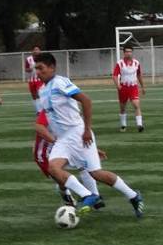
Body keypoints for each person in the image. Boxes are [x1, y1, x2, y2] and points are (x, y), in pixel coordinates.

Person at [34, 52, 144, 217]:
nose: (38, 72)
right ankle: (88, 195)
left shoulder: (60, 82)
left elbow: (86, 100)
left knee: (96, 173)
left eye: (41, 68)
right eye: (36, 68)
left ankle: (133, 196)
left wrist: (86, 130)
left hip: (77, 133)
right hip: (63, 139)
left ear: (51, 67)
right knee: (53, 168)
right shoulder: (42, 90)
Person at [33, 109, 105, 208]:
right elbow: (39, 127)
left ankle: (95, 197)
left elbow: (75, 133)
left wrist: (92, 150)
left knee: (84, 164)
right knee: (60, 178)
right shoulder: (49, 108)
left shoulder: (70, 108)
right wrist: (57, 143)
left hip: (65, 146)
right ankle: (68, 198)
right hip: (44, 153)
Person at [112, 45, 145, 132]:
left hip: (133, 87)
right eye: (127, 51)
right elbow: (114, 75)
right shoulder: (120, 63)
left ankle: (139, 125)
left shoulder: (136, 63)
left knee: (136, 105)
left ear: (132, 52)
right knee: (123, 107)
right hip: (123, 88)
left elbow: (139, 75)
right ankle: (123, 125)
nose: (129, 53)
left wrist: (142, 86)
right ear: (124, 53)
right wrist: (117, 85)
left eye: (130, 51)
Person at [24, 46, 43, 114]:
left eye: (38, 49)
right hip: (31, 80)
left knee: (39, 93)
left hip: (39, 79)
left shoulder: (42, 58)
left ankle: (40, 110)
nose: (36, 51)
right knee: (33, 95)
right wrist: (30, 68)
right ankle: (37, 110)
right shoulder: (28, 59)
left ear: (40, 51)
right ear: (32, 51)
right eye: (35, 50)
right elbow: (26, 69)